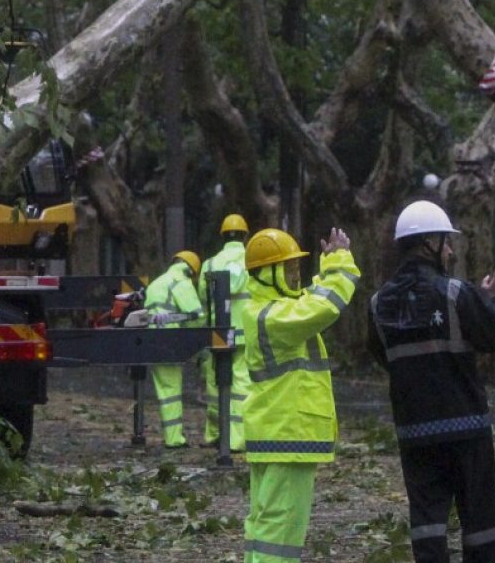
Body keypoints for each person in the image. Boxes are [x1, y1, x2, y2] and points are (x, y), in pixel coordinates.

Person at [368, 200, 495, 563]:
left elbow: (384, 357)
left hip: (414, 432)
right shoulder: (455, 292)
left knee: (427, 523)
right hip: (466, 429)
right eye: (446, 242)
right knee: (481, 523)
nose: (450, 251)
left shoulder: (377, 304)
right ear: (429, 242)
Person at [242, 226, 359, 563]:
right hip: (288, 434)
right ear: (268, 274)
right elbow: (322, 308)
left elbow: (308, 300)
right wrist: (340, 265)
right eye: (288, 269)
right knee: (282, 529)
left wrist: (326, 269)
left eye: (296, 268)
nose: (296, 275)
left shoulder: (269, 309)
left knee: (265, 524)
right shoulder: (273, 316)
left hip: (276, 432)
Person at [198, 213, 250, 450]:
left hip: (217, 330)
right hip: (245, 331)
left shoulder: (210, 264)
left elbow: (203, 297)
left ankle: (215, 435)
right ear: (245, 235)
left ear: (222, 236)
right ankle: (237, 439)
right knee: (241, 384)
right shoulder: (252, 260)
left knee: (214, 383)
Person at [144, 249, 203, 448]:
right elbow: (196, 314)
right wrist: (196, 344)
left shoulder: (156, 282)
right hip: (169, 340)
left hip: (151, 339)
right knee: (172, 390)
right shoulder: (181, 282)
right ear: (191, 271)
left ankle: (171, 436)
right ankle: (174, 439)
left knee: (164, 390)